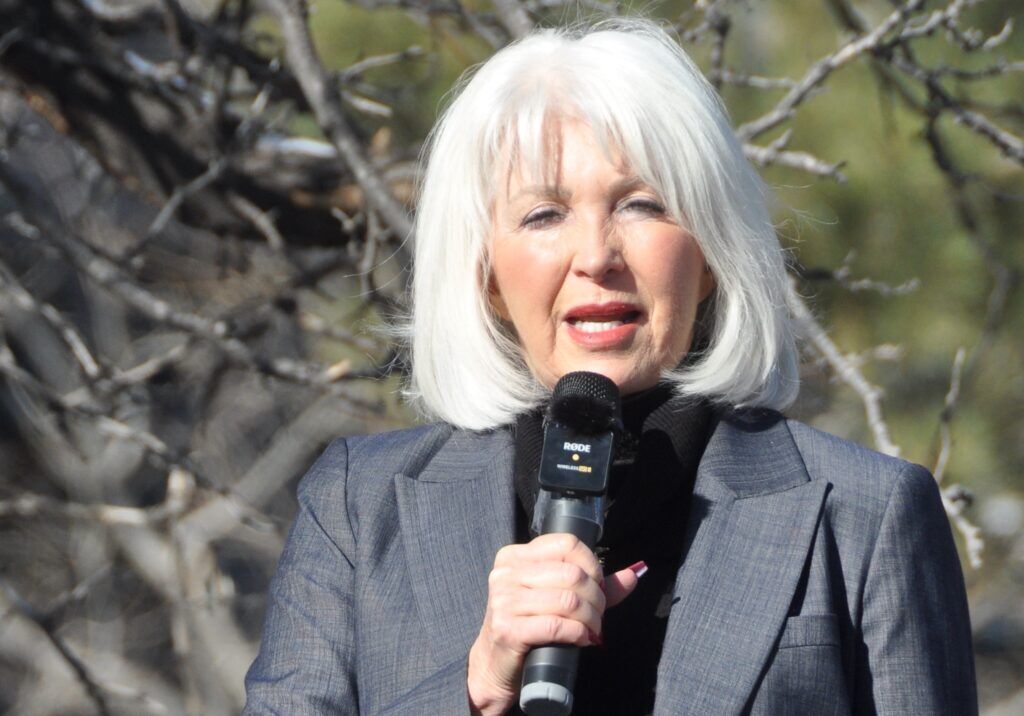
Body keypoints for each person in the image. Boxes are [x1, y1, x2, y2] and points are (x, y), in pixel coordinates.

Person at [242, 18, 976, 715]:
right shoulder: (355, 509)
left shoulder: (866, 517)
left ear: (713, 252)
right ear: (486, 275)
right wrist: (476, 688)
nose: (596, 256)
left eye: (641, 205)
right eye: (543, 215)